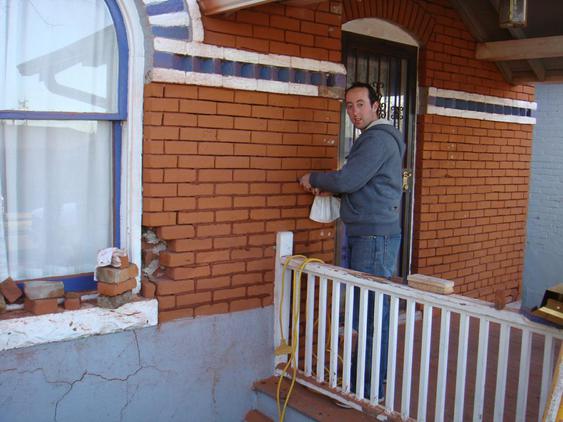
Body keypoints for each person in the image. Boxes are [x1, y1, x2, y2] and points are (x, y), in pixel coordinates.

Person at [299, 81, 404, 401]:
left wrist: (314, 179)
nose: (354, 111)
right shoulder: (376, 138)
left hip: (373, 237)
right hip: (371, 233)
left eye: (360, 104)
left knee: (372, 317)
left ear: (376, 106)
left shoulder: (377, 139)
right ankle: (368, 384)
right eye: (349, 105)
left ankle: (368, 390)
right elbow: (357, 182)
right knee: (373, 314)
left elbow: (349, 179)